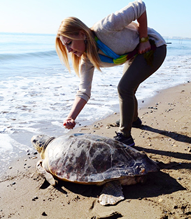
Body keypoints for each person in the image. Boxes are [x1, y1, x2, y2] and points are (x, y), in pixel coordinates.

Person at [55, 0, 166, 146]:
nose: (69, 51)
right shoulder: (86, 60)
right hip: (134, 55)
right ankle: (133, 119)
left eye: (69, 43)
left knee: (124, 88)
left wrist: (144, 38)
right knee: (128, 88)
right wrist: (71, 117)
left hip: (153, 47)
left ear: (82, 34)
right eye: (65, 46)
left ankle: (125, 136)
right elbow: (83, 91)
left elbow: (140, 6)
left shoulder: (106, 27)